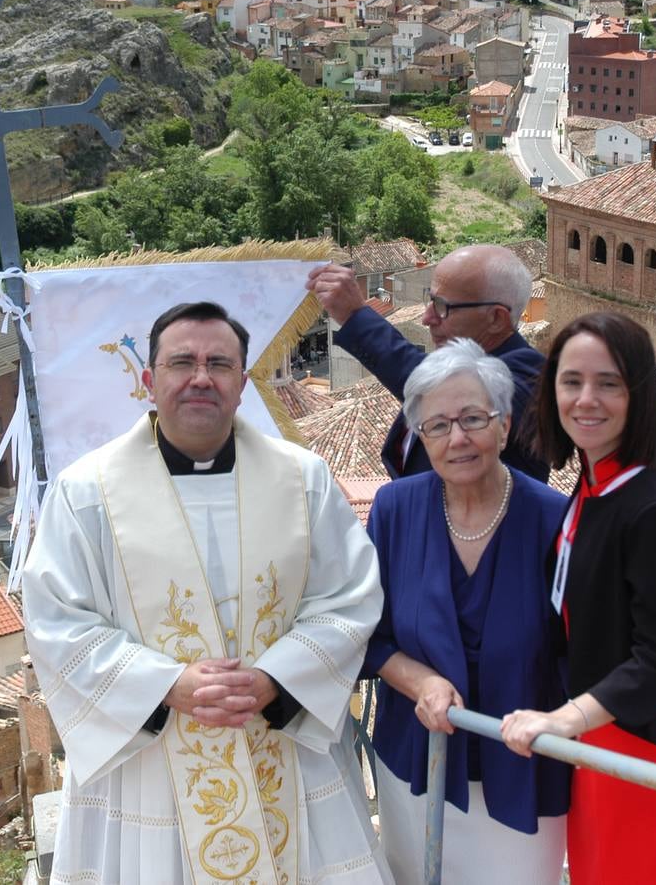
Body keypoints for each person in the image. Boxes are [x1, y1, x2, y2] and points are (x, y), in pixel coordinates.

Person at [22, 301, 392, 884]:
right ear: (149, 380)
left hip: (276, 736)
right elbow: (55, 621)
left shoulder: (302, 478)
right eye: (181, 363)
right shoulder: (85, 492)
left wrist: (276, 678)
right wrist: (167, 684)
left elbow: (348, 597)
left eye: (219, 364)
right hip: (150, 762)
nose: (200, 377)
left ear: (242, 383)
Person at [309, 248, 656, 759]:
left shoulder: (524, 380)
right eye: (436, 423)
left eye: (441, 306)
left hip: (505, 643)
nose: (426, 316)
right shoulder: (403, 502)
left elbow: (619, 545)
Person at [501, 312, 656, 884]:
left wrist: (560, 720)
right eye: (571, 381)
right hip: (603, 731)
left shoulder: (654, 506)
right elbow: (638, 608)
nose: (586, 399)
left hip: (645, 739)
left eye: (609, 383)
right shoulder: (595, 481)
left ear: (638, 394)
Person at [363, 339, 572, 884]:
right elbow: (367, 632)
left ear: (504, 426)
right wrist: (420, 680)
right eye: (437, 425)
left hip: (524, 771)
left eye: (473, 418)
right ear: (420, 437)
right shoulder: (394, 510)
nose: (457, 438)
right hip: (414, 763)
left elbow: (615, 622)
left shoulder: (557, 522)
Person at [306, 245, 549, 481]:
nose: (427, 318)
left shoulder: (529, 379)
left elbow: (449, 391)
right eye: (430, 301)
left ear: (496, 319)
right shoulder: (455, 363)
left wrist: (356, 317)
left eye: (443, 307)